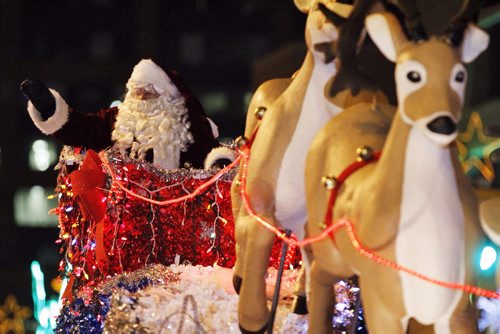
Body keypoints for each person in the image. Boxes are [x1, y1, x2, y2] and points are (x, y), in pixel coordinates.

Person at [20, 59, 234, 169]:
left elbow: (211, 154)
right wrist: (50, 108)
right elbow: (82, 129)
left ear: (167, 96)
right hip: (124, 227)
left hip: (178, 224)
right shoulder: (116, 121)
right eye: (136, 92)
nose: (141, 98)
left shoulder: (189, 126)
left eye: (148, 92)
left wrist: (219, 163)